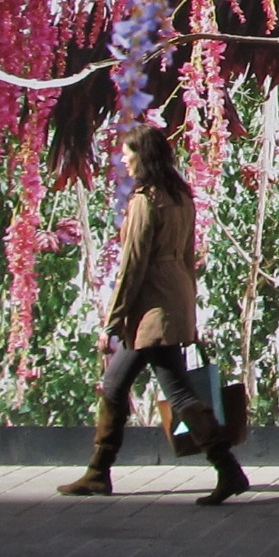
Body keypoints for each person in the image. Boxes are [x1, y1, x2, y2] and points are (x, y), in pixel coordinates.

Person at [56, 127, 248, 505]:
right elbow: (188, 257)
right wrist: (187, 310)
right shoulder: (181, 196)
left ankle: (225, 468)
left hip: (151, 309)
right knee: (126, 384)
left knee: (150, 388)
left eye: (128, 154)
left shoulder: (146, 201)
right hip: (173, 299)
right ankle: (99, 471)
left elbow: (133, 265)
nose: (124, 160)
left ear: (143, 156)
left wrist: (114, 319)